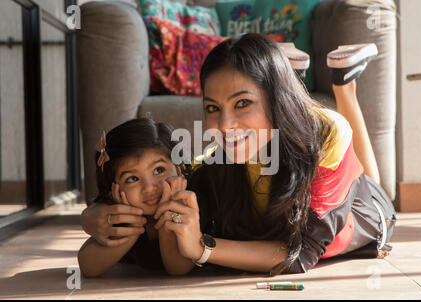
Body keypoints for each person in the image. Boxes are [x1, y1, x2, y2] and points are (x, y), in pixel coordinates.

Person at [80, 33, 396, 275]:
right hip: (282, 120)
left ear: (274, 101)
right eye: (213, 109)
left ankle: (344, 85)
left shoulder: (326, 135)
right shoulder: (217, 159)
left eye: (242, 103)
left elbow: (297, 256)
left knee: (370, 180)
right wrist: (90, 216)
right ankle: (286, 73)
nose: (225, 125)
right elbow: (164, 182)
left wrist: (203, 248)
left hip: (362, 212)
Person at [77, 118, 200, 277]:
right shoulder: (120, 219)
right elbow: (88, 267)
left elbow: (178, 268)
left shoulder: (190, 204)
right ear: (114, 188)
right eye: (132, 179)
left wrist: (168, 211)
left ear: (178, 170)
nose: (149, 187)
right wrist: (131, 228)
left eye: (158, 170)